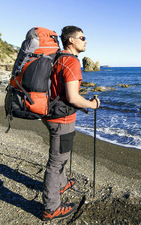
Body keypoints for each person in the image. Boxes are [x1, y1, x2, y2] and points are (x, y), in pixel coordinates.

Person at [41, 25, 100, 221]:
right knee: (56, 161)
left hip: (50, 114)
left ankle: (61, 184)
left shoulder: (57, 58)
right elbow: (73, 98)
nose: (85, 41)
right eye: (82, 37)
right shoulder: (71, 62)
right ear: (71, 41)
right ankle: (51, 208)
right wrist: (92, 104)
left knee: (62, 154)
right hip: (61, 119)